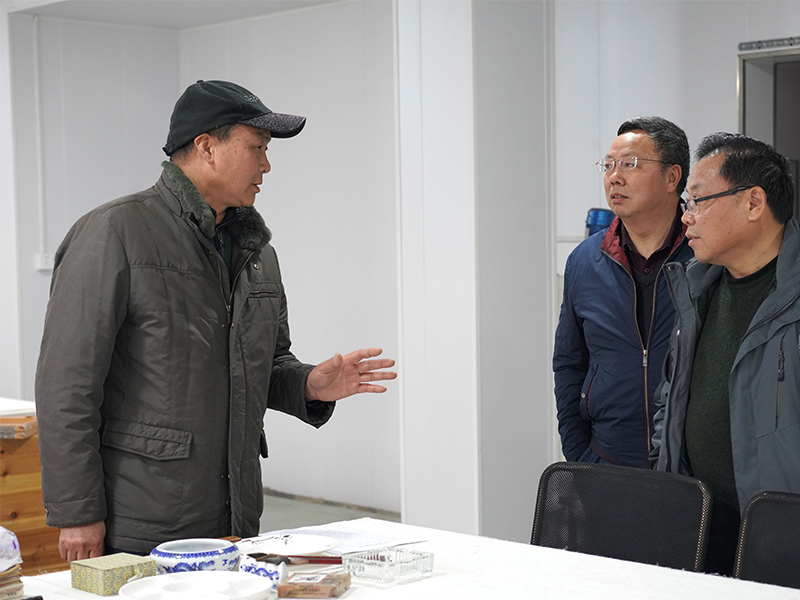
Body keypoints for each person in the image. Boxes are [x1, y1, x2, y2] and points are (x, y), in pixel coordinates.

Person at [34, 80, 397, 561]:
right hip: (140, 521)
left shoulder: (256, 252)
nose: (266, 165)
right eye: (257, 148)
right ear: (206, 147)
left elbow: (264, 365)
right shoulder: (113, 234)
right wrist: (78, 513)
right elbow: (67, 387)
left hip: (235, 518)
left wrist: (310, 384)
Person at [652, 133, 799, 575]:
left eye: (698, 201)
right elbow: (670, 399)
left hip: (781, 546)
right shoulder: (696, 290)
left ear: (753, 203)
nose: (686, 218)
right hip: (697, 538)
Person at [553, 116, 693, 467]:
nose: (614, 176)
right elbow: (569, 362)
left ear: (672, 177)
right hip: (606, 459)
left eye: (630, 164)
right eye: (608, 165)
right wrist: (579, 453)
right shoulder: (585, 260)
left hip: (690, 466)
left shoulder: (705, 256)